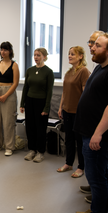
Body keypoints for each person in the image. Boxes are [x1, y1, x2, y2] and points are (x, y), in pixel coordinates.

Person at [74, 33, 108, 213]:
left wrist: (98, 133)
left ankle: (98, 210)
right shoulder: (99, 67)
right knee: (95, 176)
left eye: (98, 45)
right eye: (93, 44)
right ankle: (98, 207)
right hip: (88, 131)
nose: (92, 48)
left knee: (97, 178)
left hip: (96, 135)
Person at [57, 46, 90, 177]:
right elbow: (64, 93)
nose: (69, 56)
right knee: (69, 138)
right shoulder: (68, 72)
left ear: (81, 56)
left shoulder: (84, 71)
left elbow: (85, 93)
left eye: (73, 54)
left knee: (79, 140)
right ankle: (68, 163)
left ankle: (81, 167)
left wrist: (83, 111)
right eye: (69, 54)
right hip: (67, 110)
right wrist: (60, 108)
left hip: (78, 112)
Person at [20, 48, 54, 163]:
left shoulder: (48, 72)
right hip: (30, 101)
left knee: (40, 128)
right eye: (34, 55)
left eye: (38, 55)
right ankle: (32, 150)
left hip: (41, 102)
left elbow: (49, 91)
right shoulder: (30, 70)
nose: (36, 57)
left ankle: (40, 152)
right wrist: (22, 103)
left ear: (44, 56)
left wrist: (46, 107)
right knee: (30, 126)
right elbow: (25, 88)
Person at [0, 41, 19, 156]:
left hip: (9, 92)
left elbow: (15, 83)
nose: (3, 52)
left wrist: (6, 95)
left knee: (8, 121)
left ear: (10, 51)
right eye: (1, 49)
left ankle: (9, 147)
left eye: (5, 50)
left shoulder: (14, 65)